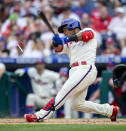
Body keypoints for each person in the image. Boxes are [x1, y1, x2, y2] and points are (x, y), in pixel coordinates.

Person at [25, 18, 119, 122]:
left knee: (63, 92)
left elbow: (85, 36)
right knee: (77, 104)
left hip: (85, 68)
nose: (64, 33)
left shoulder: (87, 31)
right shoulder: (70, 43)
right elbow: (59, 49)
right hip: (75, 70)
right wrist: (55, 42)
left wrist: (65, 40)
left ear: (72, 26)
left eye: (65, 29)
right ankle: (110, 110)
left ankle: (41, 115)